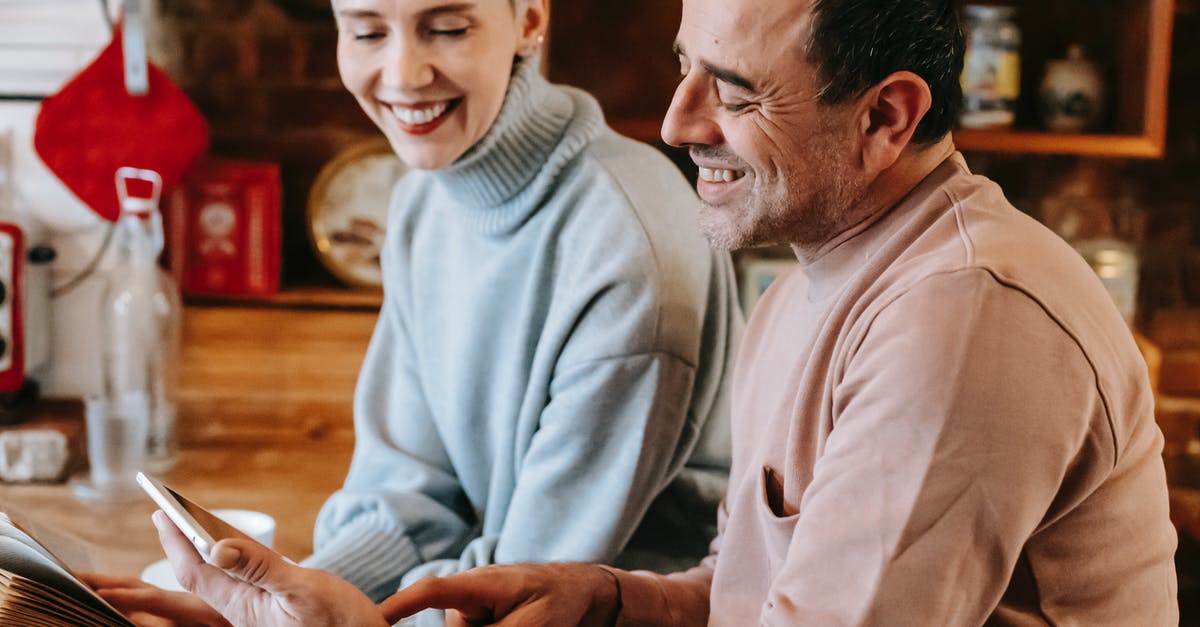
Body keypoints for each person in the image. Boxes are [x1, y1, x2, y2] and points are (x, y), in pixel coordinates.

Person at [95, 0, 1181, 624]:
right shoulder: (816, 275)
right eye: (682, 70)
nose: (674, 121)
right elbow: (760, 596)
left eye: (735, 91)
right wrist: (608, 600)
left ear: (887, 116)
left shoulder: (962, 316)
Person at [83, 0, 740, 624]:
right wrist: (274, 594)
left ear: (530, 19)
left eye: (447, 28)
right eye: (367, 32)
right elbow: (411, 490)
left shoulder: (628, 244)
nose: (403, 75)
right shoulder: (423, 201)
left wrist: (338, 613)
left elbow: (537, 585)